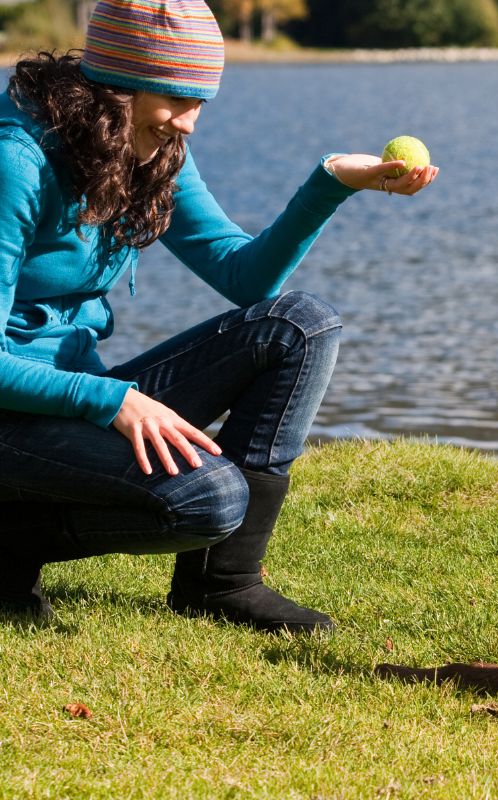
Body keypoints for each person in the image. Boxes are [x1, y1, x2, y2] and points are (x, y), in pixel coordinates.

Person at [0, 0, 437, 632]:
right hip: (14, 414)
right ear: (116, 85)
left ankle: (221, 584)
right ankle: (9, 545)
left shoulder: (147, 145)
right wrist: (114, 401)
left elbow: (246, 278)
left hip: (74, 397)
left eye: (199, 101)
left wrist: (334, 181)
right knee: (210, 496)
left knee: (300, 324)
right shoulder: (17, 161)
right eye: (175, 98)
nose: (189, 123)